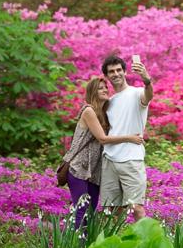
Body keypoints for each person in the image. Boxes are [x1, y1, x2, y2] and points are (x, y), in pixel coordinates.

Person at [62, 76, 144, 228]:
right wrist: (130, 138)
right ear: (93, 92)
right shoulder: (88, 111)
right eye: (100, 88)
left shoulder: (104, 113)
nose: (105, 90)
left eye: (106, 87)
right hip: (79, 168)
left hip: (94, 171)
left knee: (92, 212)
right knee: (82, 209)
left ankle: (89, 247)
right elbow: (103, 139)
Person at [99, 54, 153, 220]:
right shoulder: (110, 102)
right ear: (107, 76)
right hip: (109, 159)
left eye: (118, 70)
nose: (115, 74)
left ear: (124, 71)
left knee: (136, 208)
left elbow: (148, 96)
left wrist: (147, 80)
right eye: (111, 72)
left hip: (131, 159)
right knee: (110, 211)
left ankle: (146, 244)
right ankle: (118, 244)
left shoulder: (137, 94)